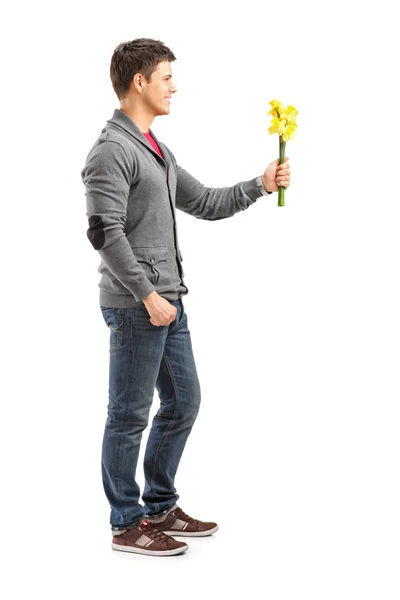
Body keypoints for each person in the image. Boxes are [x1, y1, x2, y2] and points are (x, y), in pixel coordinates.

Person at [81, 38, 291, 557]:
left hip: (169, 302)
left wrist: (260, 185)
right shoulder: (111, 150)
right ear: (139, 82)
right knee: (128, 415)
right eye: (167, 76)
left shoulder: (155, 148)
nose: (174, 86)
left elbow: (201, 200)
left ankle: (159, 505)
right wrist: (148, 294)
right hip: (138, 306)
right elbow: (104, 233)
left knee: (183, 402)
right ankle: (125, 523)